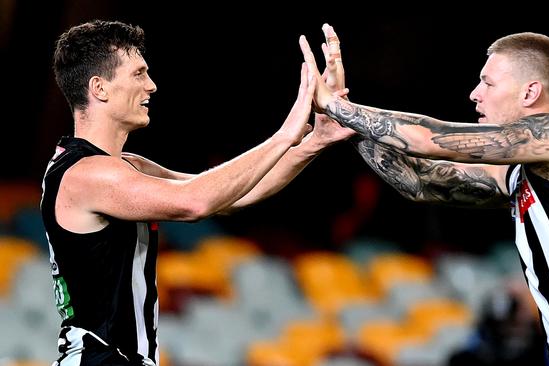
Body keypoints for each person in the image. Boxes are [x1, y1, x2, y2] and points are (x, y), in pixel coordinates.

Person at [300, 27, 549, 365]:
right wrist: (351, 129)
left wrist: (335, 103)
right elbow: (421, 183)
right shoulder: (522, 170)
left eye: (488, 82)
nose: (474, 93)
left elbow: (430, 139)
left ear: (529, 93)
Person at [42, 20, 352, 366]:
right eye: (138, 74)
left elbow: (232, 196)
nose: (152, 85)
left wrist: (314, 141)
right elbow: (195, 201)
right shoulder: (87, 174)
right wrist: (286, 132)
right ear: (99, 88)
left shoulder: (123, 168)